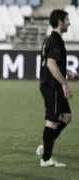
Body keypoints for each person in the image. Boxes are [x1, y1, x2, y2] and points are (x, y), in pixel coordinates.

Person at [36, 9, 79, 167]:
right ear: (60, 22)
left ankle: (46, 144)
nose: (69, 22)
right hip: (52, 86)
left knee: (66, 117)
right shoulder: (56, 41)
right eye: (67, 19)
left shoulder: (49, 39)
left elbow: (54, 63)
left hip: (51, 84)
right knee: (52, 121)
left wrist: (70, 73)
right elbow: (51, 64)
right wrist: (64, 84)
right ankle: (46, 159)